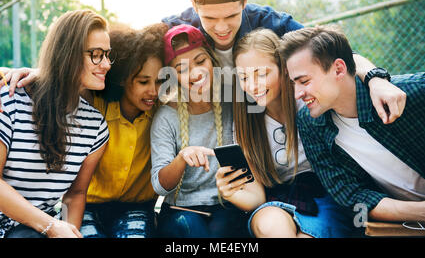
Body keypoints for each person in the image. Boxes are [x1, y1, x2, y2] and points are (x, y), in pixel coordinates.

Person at [162, 0, 406, 125]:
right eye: (210, 19)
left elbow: (336, 55)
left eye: (231, 16)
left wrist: (376, 79)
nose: (222, 27)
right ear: (194, 8)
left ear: (245, 1)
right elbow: (136, 57)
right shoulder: (178, 29)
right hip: (211, 119)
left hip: (262, 120)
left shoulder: (271, 23)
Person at [215, 28, 355, 238]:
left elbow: (350, 65)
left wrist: (375, 79)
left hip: (325, 195)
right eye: (243, 77)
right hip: (275, 202)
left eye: (261, 74)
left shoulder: (307, 100)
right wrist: (232, 193)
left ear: (283, 69)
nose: (252, 86)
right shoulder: (246, 122)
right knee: (273, 227)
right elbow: (257, 199)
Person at [280, 25, 425, 225]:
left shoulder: (413, 93)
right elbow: (352, 197)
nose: (297, 94)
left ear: (339, 69)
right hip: (405, 224)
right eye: (293, 84)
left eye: (304, 81)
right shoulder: (310, 123)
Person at [0, 9, 110, 238]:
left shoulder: (95, 127)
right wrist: (51, 227)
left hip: (38, 231)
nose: (106, 64)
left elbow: (75, 194)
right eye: (96, 54)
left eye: (108, 54)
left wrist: (67, 229)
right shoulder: (9, 102)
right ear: (67, 53)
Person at [150, 24, 248, 238]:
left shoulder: (233, 102)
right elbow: (160, 185)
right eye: (181, 69)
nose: (195, 73)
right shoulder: (167, 117)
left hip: (227, 206)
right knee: (190, 228)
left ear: (212, 60)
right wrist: (182, 157)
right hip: (181, 211)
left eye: (200, 61)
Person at [79, 23, 168, 238]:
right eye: (143, 82)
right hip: (87, 206)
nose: (153, 91)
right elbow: (63, 78)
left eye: (159, 81)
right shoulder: (96, 106)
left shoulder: (162, 112)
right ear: (121, 78)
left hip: (136, 207)